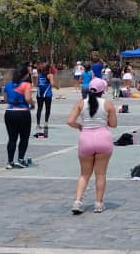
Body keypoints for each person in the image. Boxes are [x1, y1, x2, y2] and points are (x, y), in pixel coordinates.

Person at [67, 78, 117, 214]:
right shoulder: (108, 104)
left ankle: (78, 201)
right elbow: (113, 124)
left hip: (86, 138)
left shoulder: (81, 103)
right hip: (103, 138)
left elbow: (70, 121)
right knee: (100, 174)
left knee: (84, 174)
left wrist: (80, 126)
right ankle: (99, 204)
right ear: (103, 90)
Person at [4, 66, 35, 169]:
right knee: (24, 138)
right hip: (23, 113)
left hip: (10, 113)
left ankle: (10, 161)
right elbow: (27, 98)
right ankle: (21, 159)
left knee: (12, 138)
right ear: (26, 75)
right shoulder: (26, 84)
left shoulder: (8, 85)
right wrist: (32, 104)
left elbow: (5, 99)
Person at [35, 63, 56, 129]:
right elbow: (52, 84)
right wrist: (57, 86)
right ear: (49, 68)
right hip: (47, 94)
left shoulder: (39, 75)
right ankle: (46, 124)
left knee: (39, 109)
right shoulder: (50, 75)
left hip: (39, 94)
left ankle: (38, 124)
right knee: (47, 108)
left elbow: (36, 85)